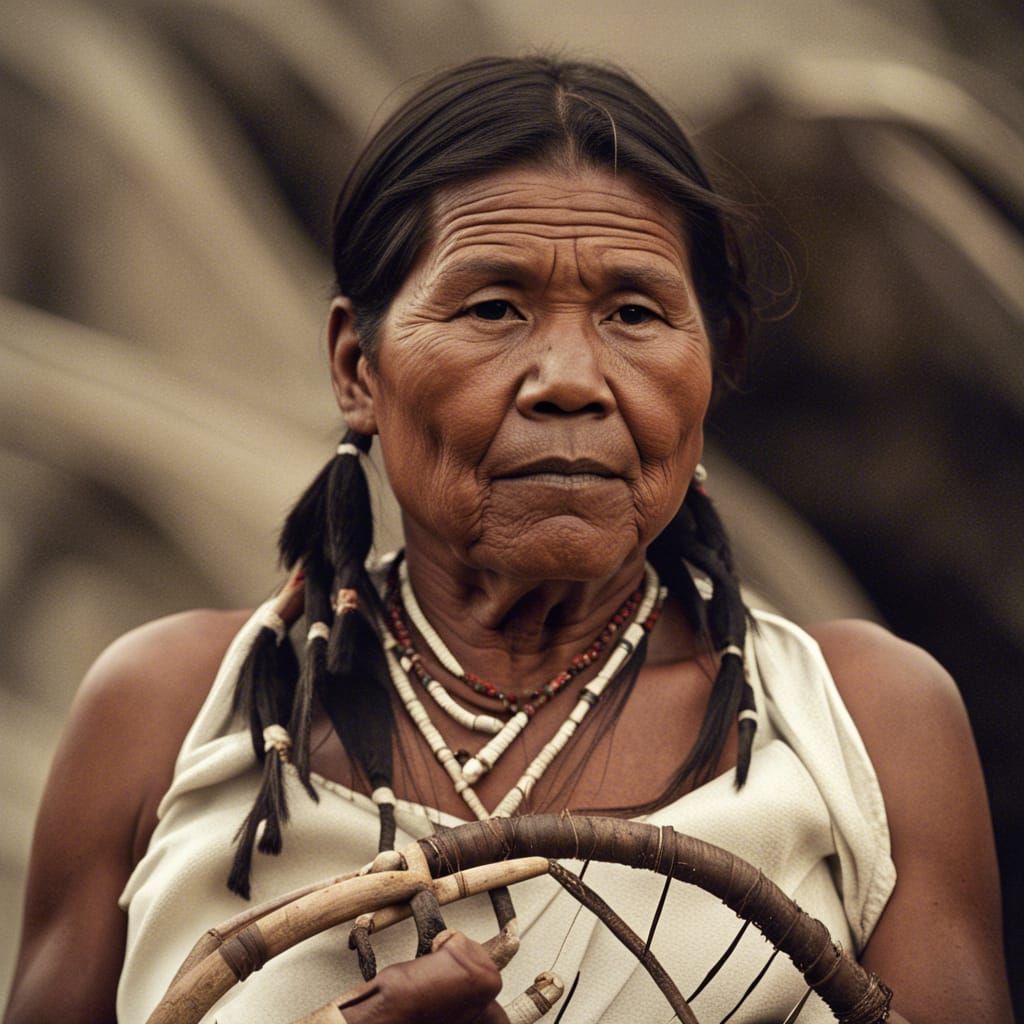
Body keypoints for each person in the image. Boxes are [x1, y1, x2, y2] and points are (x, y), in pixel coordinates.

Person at [4, 56, 1013, 1024]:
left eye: (633, 310)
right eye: (493, 307)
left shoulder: (868, 725)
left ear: (717, 363)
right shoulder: (166, 716)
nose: (569, 376)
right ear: (357, 367)